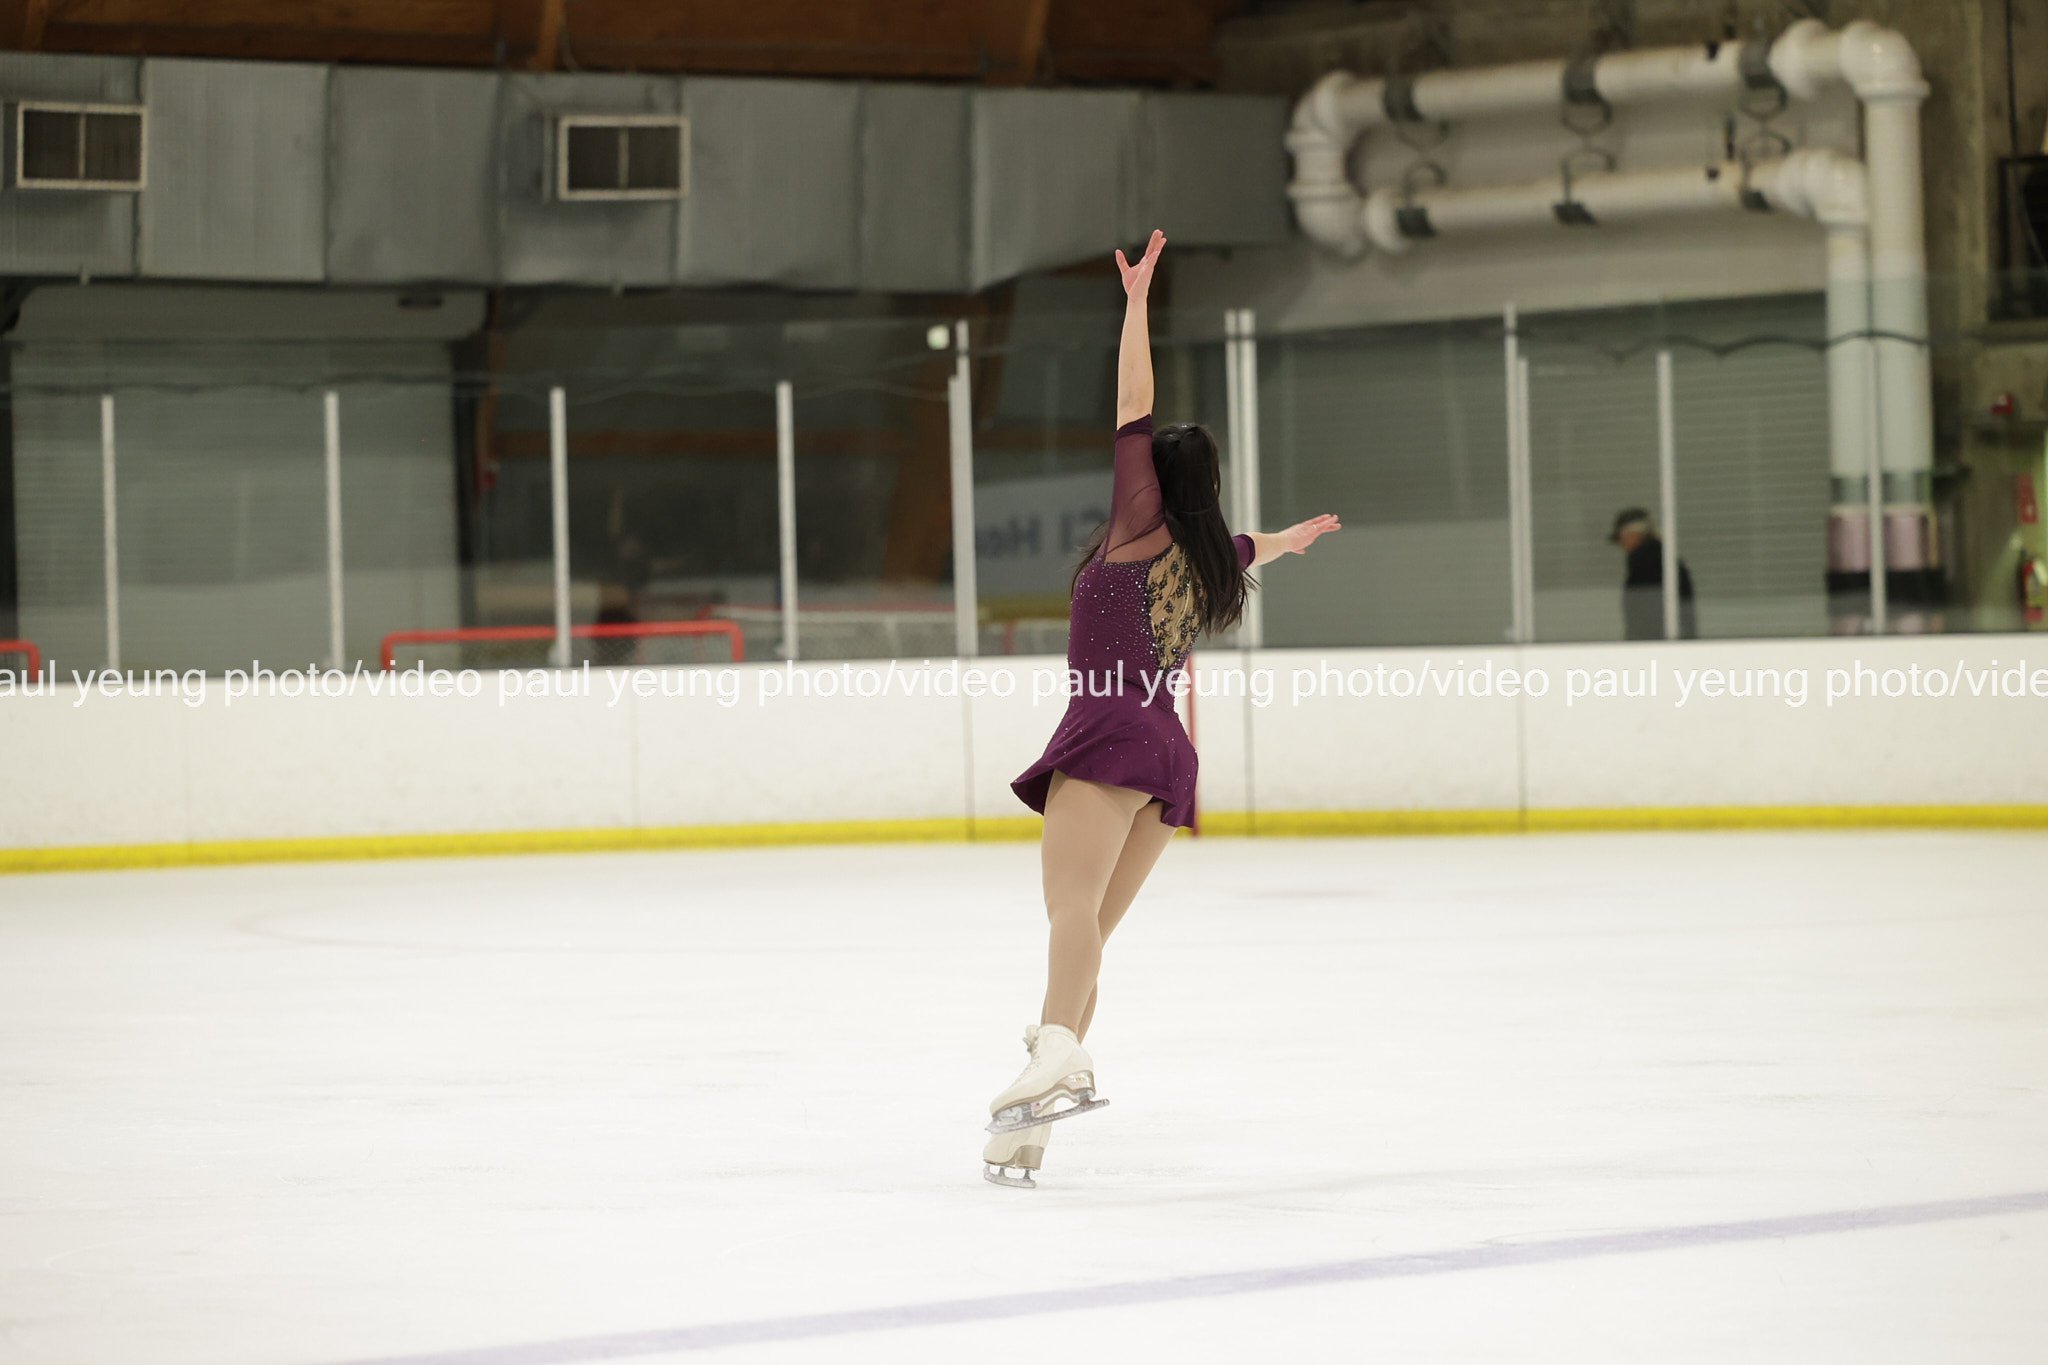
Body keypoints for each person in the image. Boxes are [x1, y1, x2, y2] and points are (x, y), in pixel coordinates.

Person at [985, 229, 1342, 1189]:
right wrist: (1290, 539)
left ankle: (1055, 1052)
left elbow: (1130, 404)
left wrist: (1137, 302)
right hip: (1167, 753)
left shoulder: (1137, 533)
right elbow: (1252, 546)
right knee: (1089, 937)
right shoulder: (1207, 555)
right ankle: (1030, 1124)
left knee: (1068, 911)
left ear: (1151, 485)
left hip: (1109, 732)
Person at [1610, 506, 1697, 641]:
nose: (1622, 544)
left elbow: (1645, 614)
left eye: (1622, 538)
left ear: (1634, 534)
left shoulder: (1647, 565)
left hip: (1656, 646)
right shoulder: (1663, 561)